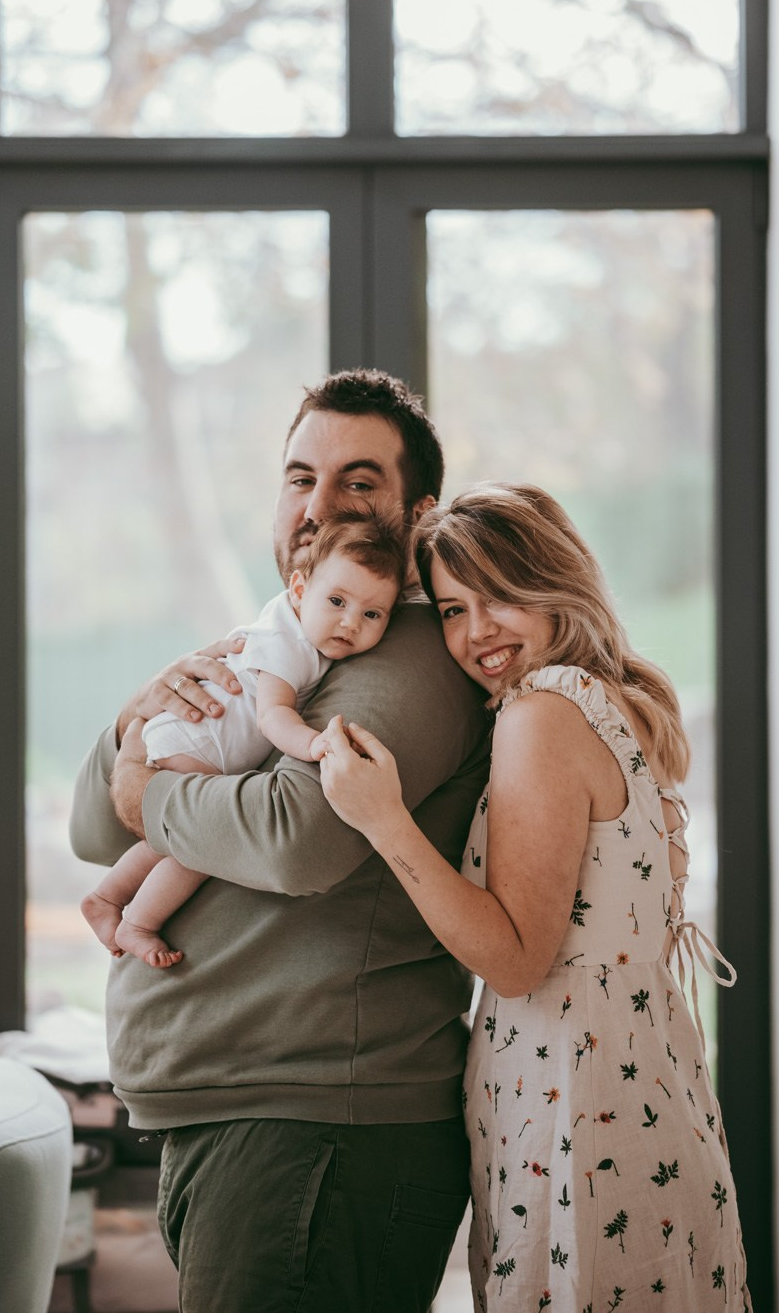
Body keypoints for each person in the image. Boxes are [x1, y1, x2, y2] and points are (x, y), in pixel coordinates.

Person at [69, 368, 492, 1313]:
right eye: (300, 477)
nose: (317, 506)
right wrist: (138, 721)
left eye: (358, 483)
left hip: (319, 1135)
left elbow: (296, 838)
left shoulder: (405, 653)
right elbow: (95, 829)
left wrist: (149, 786)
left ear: (418, 518)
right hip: (259, 1129)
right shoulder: (292, 641)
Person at [318, 482, 753, 1313]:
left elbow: (516, 962)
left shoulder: (541, 714)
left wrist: (384, 822)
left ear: (554, 583)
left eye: (499, 597)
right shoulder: (616, 702)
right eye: (451, 609)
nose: (476, 631)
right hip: (643, 1083)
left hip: (574, 1101)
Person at [80, 512, 406, 968]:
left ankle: (104, 898)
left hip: (193, 739)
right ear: (299, 591)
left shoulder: (301, 631)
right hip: (196, 738)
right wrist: (314, 745)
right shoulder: (286, 645)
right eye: (337, 601)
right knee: (200, 845)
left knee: (169, 840)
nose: (351, 623)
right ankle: (137, 923)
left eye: (372, 614)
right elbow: (273, 716)